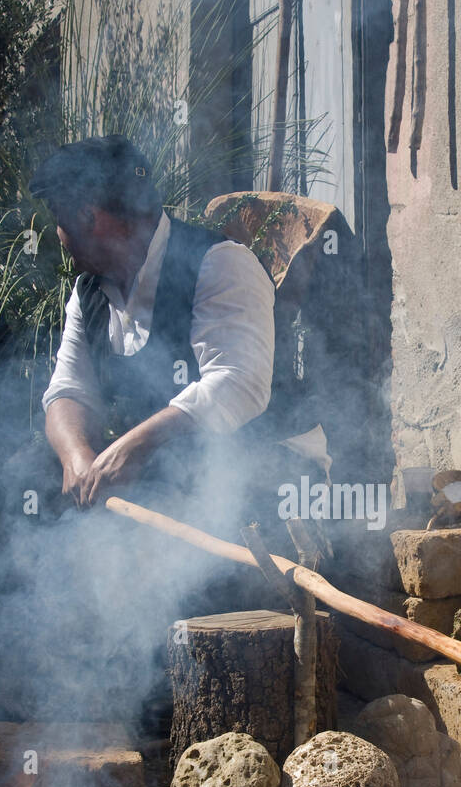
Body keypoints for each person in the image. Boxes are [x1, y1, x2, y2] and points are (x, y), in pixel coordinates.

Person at [29, 135, 311, 539]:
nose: (58, 234)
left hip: (254, 483)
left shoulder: (221, 263)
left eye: (59, 218)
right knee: (23, 475)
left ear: (89, 216)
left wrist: (134, 447)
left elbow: (239, 383)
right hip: (162, 486)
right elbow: (68, 390)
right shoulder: (88, 290)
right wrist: (77, 458)